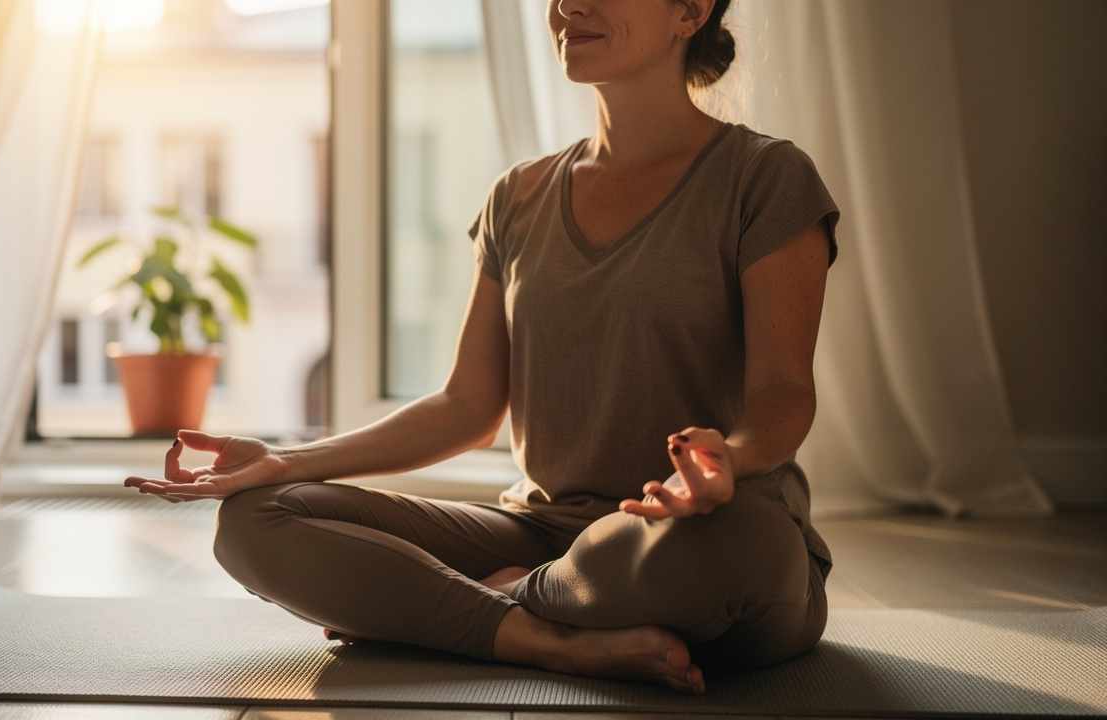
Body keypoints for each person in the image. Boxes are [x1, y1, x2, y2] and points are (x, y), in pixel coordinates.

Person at [126, 0, 838, 694]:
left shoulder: (765, 177)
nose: (567, 6)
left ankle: (474, 602)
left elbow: (783, 392)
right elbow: (467, 406)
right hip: (539, 531)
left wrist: (729, 462)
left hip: (698, 533)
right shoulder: (518, 196)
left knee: (713, 550)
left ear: (690, 12)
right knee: (256, 521)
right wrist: (286, 460)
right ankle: (538, 633)